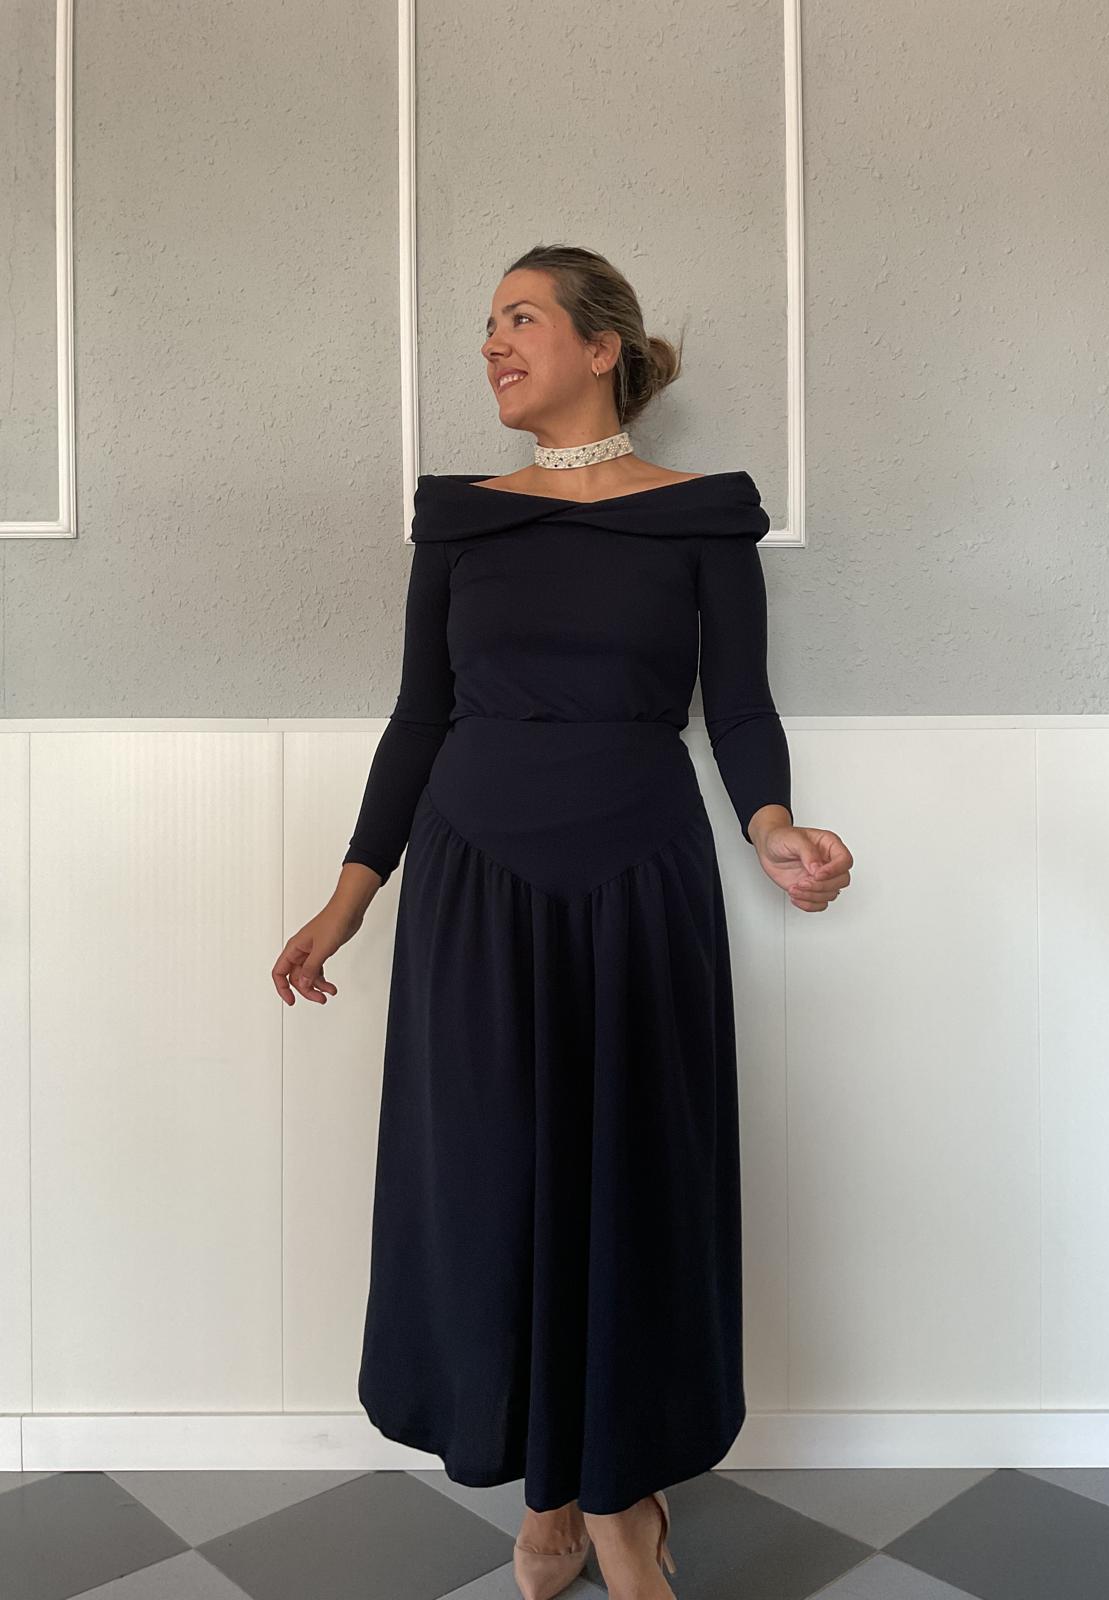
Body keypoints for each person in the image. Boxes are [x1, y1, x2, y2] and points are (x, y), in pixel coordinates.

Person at [271, 243, 853, 1600]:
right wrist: (349, 897)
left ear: (603, 348)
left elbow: (739, 707)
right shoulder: (461, 521)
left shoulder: (702, 516)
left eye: (520, 317)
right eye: (487, 323)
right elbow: (420, 716)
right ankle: (552, 1492)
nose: (492, 342)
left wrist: (773, 828)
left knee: (633, 1183)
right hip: (474, 885)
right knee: (493, 1187)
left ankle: (620, 1500)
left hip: (640, 880)